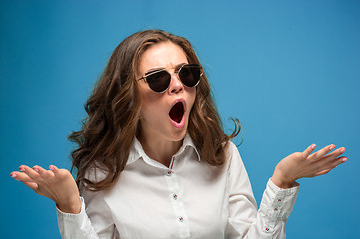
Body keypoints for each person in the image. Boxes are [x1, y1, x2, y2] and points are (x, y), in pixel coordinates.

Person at [10, 30, 347, 239]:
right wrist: (71, 206)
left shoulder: (223, 156)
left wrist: (282, 182)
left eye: (187, 73)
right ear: (128, 95)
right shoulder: (103, 171)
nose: (177, 85)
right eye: (158, 78)